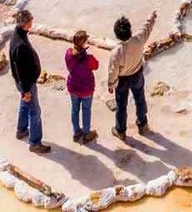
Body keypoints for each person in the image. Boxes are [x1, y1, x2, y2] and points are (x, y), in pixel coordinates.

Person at [107, 10, 157, 139]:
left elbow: (113, 72)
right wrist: (152, 17)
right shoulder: (138, 40)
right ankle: (142, 124)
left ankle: (121, 130)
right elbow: (147, 28)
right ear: (130, 30)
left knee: (121, 105)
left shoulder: (116, 52)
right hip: (137, 74)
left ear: (117, 34)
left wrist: (111, 84)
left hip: (122, 80)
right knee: (139, 99)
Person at [9, 9, 50, 153]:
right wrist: (26, 90)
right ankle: (35, 143)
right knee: (35, 111)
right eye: (30, 21)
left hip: (23, 83)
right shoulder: (20, 45)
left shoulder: (17, 34)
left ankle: (21, 130)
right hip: (27, 83)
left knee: (25, 105)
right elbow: (20, 70)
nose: (31, 24)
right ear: (25, 24)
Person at [66, 30, 99, 144]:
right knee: (86, 110)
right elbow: (96, 65)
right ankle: (86, 133)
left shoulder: (68, 54)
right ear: (84, 43)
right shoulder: (89, 59)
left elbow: (73, 56)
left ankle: (76, 132)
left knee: (74, 110)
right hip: (86, 89)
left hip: (73, 87)